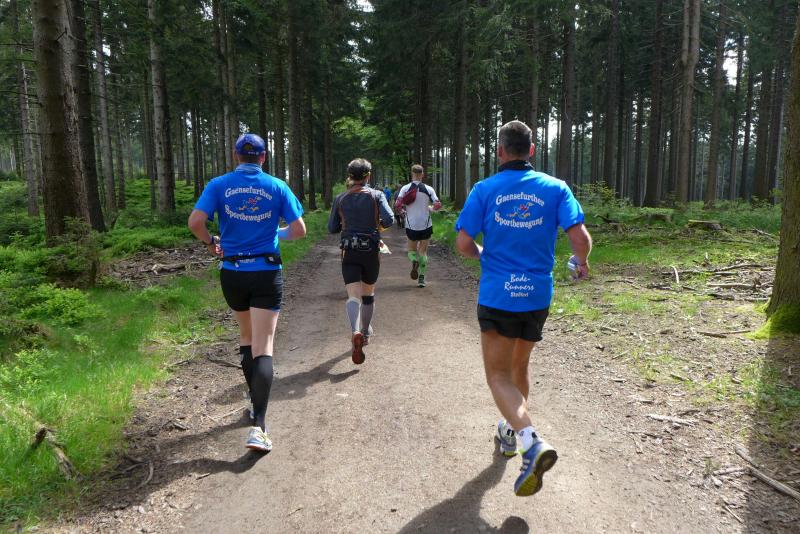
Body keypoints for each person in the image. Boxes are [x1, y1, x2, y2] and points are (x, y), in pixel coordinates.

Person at [454, 120, 592, 497]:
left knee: (498, 376)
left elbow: (463, 244)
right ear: (531, 150)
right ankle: (508, 431)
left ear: (500, 152)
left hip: (499, 295)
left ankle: (531, 442)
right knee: (519, 367)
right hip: (536, 296)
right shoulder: (556, 188)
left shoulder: (484, 189)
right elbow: (580, 238)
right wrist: (581, 263)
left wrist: (484, 255)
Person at [188, 133, 306, 453]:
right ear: (263, 157)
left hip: (233, 272)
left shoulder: (219, 185)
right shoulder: (277, 186)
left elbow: (195, 222)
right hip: (266, 272)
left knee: (246, 336)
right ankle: (260, 427)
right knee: (263, 345)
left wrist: (211, 242)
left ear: (236, 155)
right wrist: (275, 233)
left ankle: (255, 405)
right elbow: (299, 230)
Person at [328, 159, 394, 364]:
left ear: (350, 176)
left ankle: (355, 330)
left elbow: (332, 228)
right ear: (368, 176)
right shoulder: (377, 195)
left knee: (353, 296)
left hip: (349, 251)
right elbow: (389, 219)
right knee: (368, 294)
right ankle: (365, 332)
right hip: (370, 250)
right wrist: (376, 226)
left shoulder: (340, 198)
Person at [395, 165, 442, 287]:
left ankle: (414, 260)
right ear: (422, 174)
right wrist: (431, 208)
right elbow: (438, 204)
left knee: (411, 251)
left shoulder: (405, 188)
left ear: (412, 174)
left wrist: (403, 213)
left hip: (411, 224)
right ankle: (421, 279)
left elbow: (398, 204)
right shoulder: (429, 189)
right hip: (426, 224)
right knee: (423, 252)